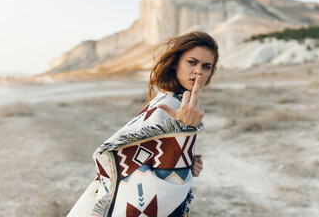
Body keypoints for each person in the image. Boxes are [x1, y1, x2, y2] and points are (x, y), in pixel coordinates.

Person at [67, 31, 219, 217]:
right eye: (192, 62)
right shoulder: (167, 104)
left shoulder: (181, 102)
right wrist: (182, 141)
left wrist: (188, 161)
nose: (198, 71)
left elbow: (155, 153)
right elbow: (119, 155)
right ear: (175, 64)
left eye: (206, 66)